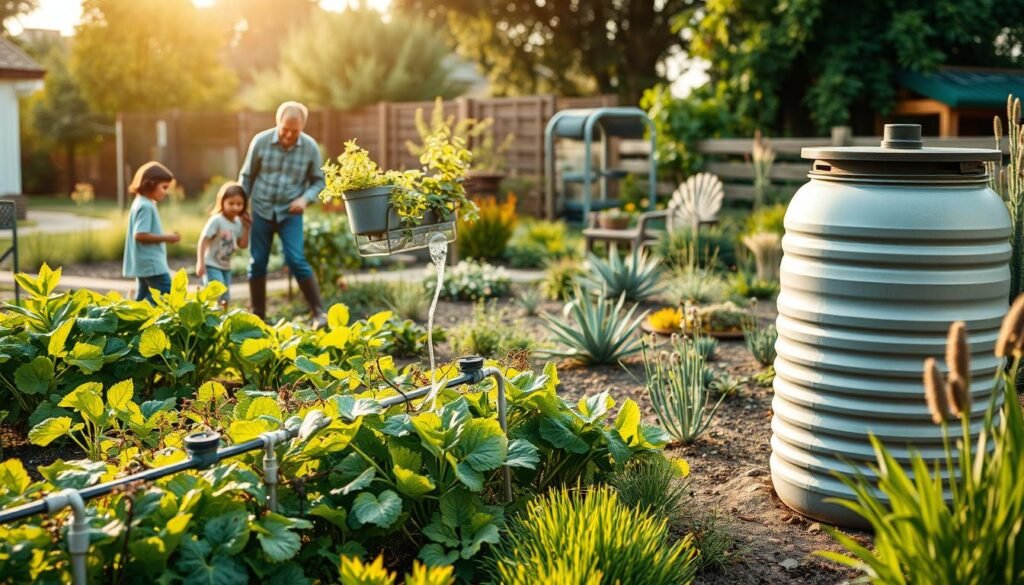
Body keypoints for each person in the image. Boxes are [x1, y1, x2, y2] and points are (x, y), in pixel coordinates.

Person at [239, 100, 326, 327]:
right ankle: (259, 317)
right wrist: (241, 207)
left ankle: (318, 313)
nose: (288, 135)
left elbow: (319, 181)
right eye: (284, 129)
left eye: (294, 131)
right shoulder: (260, 141)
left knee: (296, 259)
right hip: (261, 209)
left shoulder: (310, 147)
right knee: (257, 262)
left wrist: (305, 199)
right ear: (277, 123)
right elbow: (247, 177)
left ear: (302, 127)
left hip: (290, 212)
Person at [123, 161, 180, 303]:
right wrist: (167, 238)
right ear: (151, 183)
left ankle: (132, 323)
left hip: (144, 264)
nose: (165, 192)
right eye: (164, 187)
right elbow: (140, 235)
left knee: (142, 299)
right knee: (166, 295)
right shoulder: (146, 206)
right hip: (152, 265)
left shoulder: (140, 202)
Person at [196, 181, 251, 308]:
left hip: (226, 266)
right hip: (211, 264)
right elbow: (203, 240)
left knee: (226, 296)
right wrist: (200, 262)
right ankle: (209, 319)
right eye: (231, 203)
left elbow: (242, 245)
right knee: (215, 295)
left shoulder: (238, 223)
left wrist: (247, 228)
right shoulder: (217, 220)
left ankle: (222, 320)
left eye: (239, 204)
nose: (235, 207)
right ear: (222, 202)